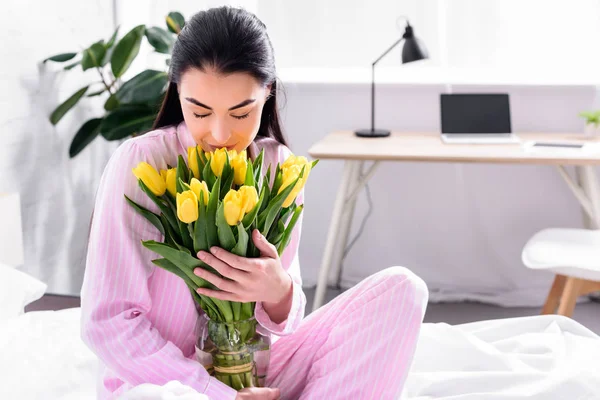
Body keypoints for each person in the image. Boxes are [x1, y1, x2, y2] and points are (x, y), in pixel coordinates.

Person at [80, 6, 428, 400]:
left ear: (267, 92)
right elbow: (106, 322)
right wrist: (215, 393)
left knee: (403, 289)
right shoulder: (144, 163)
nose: (219, 133)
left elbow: (283, 326)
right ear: (178, 93)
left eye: (241, 112)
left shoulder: (276, 166)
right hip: (165, 384)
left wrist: (278, 291)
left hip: (254, 373)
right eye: (199, 110)